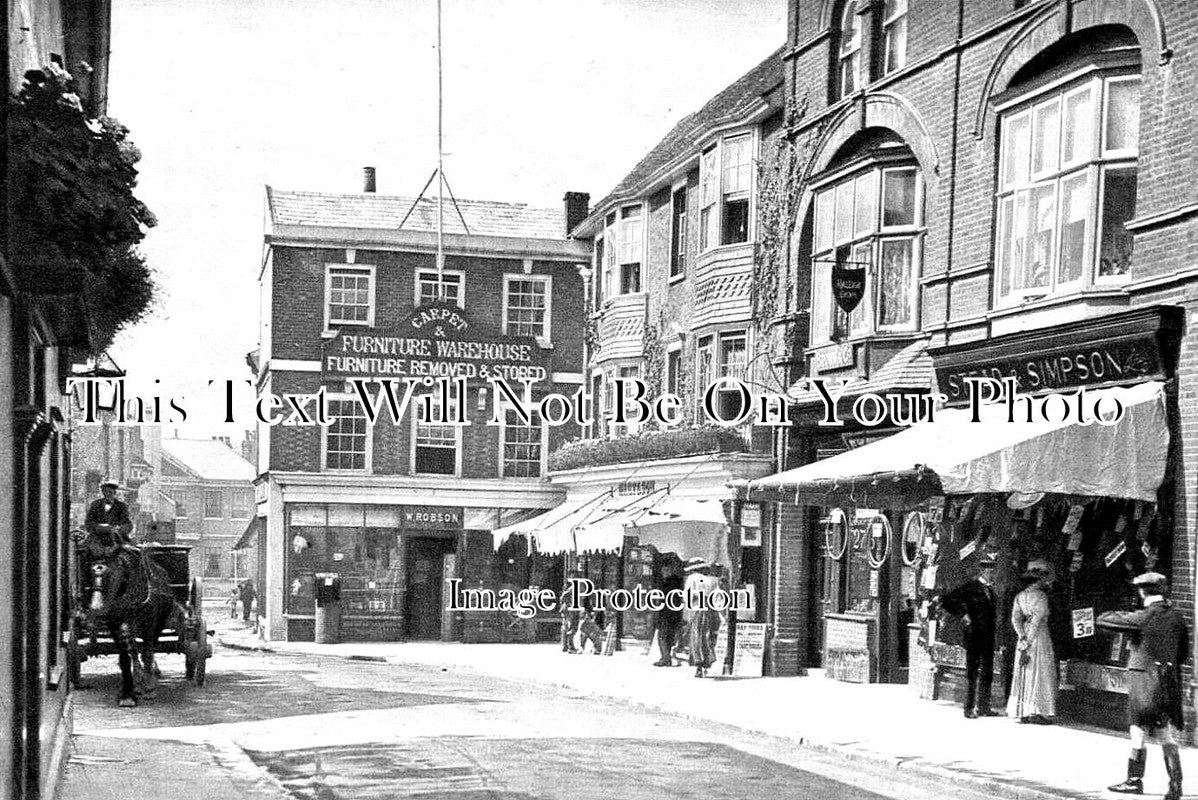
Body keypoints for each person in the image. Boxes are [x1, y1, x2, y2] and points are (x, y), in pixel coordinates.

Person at [1099, 572, 1189, 800]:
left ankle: (1134, 781)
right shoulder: (1177, 617)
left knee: (1137, 730)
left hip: (1143, 683)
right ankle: (1176, 785)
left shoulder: (1143, 617)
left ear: (1142, 592)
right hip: (1167, 681)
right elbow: (1183, 654)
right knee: (1165, 733)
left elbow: (1105, 620)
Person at [936, 556, 999, 718]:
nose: (992, 575)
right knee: (972, 672)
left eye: (993, 571)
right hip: (973, 635)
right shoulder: (971, 587)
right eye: (990, 571)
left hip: (988, 636)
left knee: (987, 671)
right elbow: (946, 600)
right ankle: (968, 707)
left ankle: (984, 706)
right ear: (983, 571)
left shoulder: (991, 590)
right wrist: (963, 614)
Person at [1007, 559, 1057, 724]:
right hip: (1038, 637)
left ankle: (1023, 710)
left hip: (1024, 634)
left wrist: (1021, 635)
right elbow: (1037, 619)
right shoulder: (1041, 596)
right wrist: (1028, 639)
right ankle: (1037, 711)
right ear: (1037, 580)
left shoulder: (1020, 596)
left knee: (1025, 671)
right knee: (1039, 672)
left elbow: (1015, 618)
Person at [684, 557, 720, 678]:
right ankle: (707, 661)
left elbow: (687, 595)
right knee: (707, 635)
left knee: (696, 635)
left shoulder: (692, 578)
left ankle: (698, 664)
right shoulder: (711, 580)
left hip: (697, 608)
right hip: (709, 609)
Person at [84, 479, 133, 548]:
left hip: (116, 539)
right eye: (105, 492)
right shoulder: (95, 505)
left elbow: (128, 524)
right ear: (103, 493)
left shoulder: (121, 506)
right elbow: (88, 523)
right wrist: (101, 527)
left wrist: (118, 529)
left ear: (114, 493)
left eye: (110, 492)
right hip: (97, 539)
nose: (108, 494)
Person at [653, 561, 684, 667]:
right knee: (669, 636)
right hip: (676, 612)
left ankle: (665, 658)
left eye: (665, 570)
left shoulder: (665, 582)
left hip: (666, 613)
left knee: (662, 635)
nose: (663, 572)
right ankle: (666, 656)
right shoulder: (679, 581)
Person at [559, 568, 584, 653]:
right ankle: (570, 646)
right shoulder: (573, 588)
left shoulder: (571, 588)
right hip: (571, 610)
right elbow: (563, 597)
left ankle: (566, 646)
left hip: (569, 610)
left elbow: (562, 598)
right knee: (571, 627)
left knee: (567, 627)